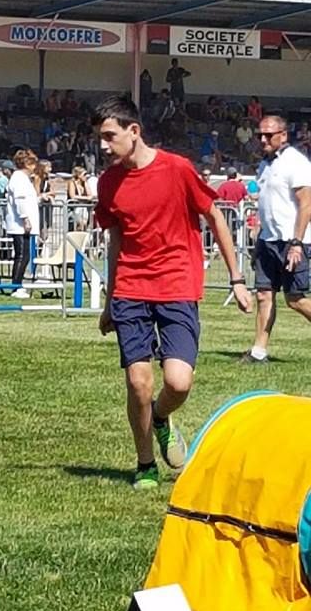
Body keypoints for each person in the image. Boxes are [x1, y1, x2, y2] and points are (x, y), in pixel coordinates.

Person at [93, 95, 252, 490]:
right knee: (138, 382)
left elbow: (215, 217)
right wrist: (111, 299)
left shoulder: (177, 169)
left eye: (109, 136)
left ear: (134, 131)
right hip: (131, 287)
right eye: (100, 137)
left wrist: (236, 277)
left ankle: (161, 418)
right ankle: (145, 463)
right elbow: (115, 243)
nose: (103, 145)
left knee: (178, 382)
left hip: (178, 285)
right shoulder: (108, 182)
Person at [241, 114, 311, 364]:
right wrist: (260, 240)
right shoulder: (265, 165)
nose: (262, 139)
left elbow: (306, 204)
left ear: (283, 135)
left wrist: (296, 243)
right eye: (260, 134)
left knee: (296, 300)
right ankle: (259, 352)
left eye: (268, 135)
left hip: (292, 241)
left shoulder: (296, 162)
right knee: (263, 294)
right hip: (268, 241)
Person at [5, 149, 40, 298]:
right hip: (20, 224)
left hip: (23, 223)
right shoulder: (18, 178)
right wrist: (25, 218)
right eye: (32, 163)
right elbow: (20, 200)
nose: (34, 167)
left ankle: (18, 284)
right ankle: (16, 286)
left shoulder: (24, 179)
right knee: (21, 255)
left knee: (24, 255)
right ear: (26, 164)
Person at [34, 159, 55, 242]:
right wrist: (45, 195)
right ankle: (37, 250)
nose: (50, 169)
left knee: (46, 229)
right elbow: (37, 193)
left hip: (46, 206)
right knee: (41, 228)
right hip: (39, 206)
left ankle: (41, 249)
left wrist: (47, 195)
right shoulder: (37, 178)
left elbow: (53, 192)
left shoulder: (48, 179)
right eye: (48, 167)